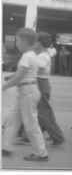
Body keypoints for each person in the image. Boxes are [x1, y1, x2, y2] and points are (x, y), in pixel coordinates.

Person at [2, 28, 49, 161]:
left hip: (27, 91)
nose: (16, 43)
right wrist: (12, 77)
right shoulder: (31, 55)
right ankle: (6, 146)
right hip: (26, 90)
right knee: (13, 119)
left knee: (30, 124)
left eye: (17, 40)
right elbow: (23, 74)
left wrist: (5, 86)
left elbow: (20, 76)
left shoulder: (27, 56)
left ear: (24, 41)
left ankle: (41, 153)